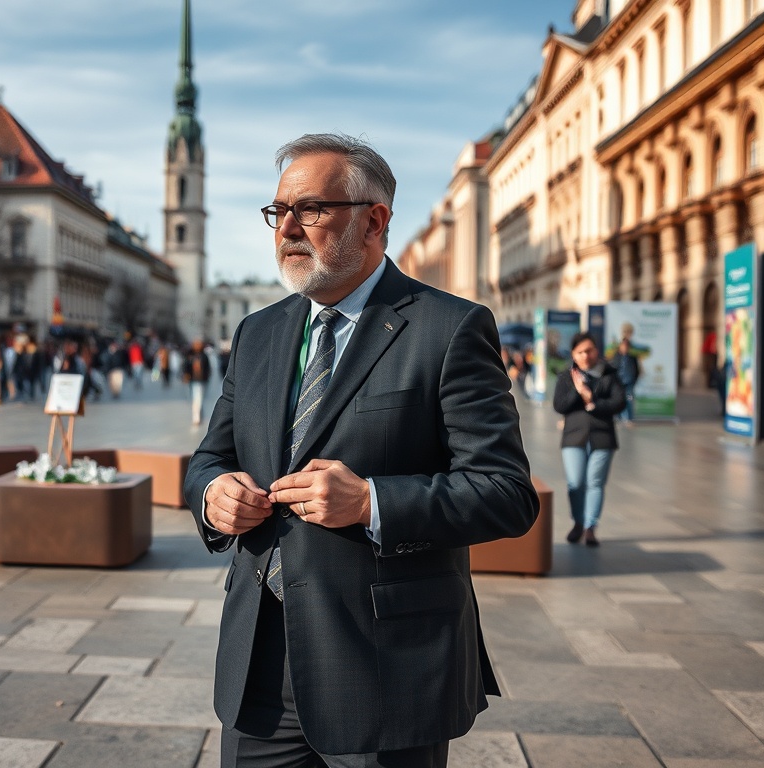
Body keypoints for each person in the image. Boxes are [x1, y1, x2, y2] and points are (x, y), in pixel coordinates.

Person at [183, 133, 538, 767]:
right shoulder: (258, 332)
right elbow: (209, 459)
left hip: (386, 671)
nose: (287, 228)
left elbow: (505, 494)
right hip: (262, 669)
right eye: (278, 211)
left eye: (310, 209)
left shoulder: (448, 328)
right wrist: (214, 496)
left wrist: (372, 500)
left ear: (374, 221)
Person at [553, 331, 625, 547]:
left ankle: (590, 527)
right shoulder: (566, 377)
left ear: (597, 351)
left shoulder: (609, 374)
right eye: (580, 352)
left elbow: (619, 403)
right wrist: (578, 391)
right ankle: (578, 522)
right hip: (574, 436)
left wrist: (592, 401)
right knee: (575, 483)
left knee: (595, 482)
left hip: (602, 436)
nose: (586, 355)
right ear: (574, 354)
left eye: (590, 350)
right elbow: (559, 405)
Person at [610, 337, 640, 423]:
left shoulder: (632, 357)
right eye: (624, 345)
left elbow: (636, 370)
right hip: (618, 383)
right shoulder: (616, 356)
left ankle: (629, 419)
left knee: (629, 400)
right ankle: (618, 417)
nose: (625, 348)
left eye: (627, 346)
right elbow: (613, 368)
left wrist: (634, 380)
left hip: (629, 383)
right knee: (618, 400)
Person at [183, 339, 211, 427]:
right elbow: (186, 366)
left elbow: (207, 368)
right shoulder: (190, 356)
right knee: (195, 399)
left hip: (202, 380)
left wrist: (207, 377)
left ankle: (198, 416)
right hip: (193, 380)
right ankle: (197, 417)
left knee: (199, 399)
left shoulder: (204, 356)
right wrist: (186, 375)